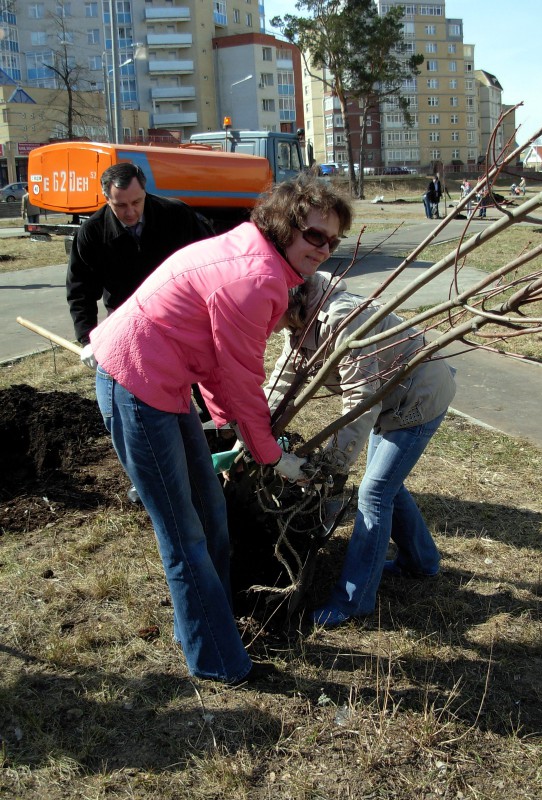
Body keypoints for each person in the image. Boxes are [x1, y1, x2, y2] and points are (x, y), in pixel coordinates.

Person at [86, 175, 353, 682]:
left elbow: (214, 360)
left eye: (333, 241)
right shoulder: (254, 278)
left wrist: (234, 430)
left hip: (165, 378)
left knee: (211, 513)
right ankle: (218, 661)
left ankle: (212, 624)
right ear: (284, 226)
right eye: (314, 236)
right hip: (136, 383)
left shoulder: (258, 258)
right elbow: (240, 375)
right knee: (184, 533)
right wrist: (269, 453)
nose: (324, 249)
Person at [265, 272, 456, 628]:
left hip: (416, 400)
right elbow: (285, 376)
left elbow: (361, 397)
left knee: (374, 493)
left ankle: (353, 601)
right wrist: (256, 428)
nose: (261, 325)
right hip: (390, 401)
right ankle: (422, 562)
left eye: (263, 314)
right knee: (386, 486)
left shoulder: (342, 318)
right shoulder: (301, 319)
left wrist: (330, 466)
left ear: (283, 301)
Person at [66, 162, 214, 359]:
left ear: (145, 192)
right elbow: (81, 291)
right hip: (129, 322)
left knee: (200, 379)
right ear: (107, 199)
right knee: (142, 386)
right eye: (121, 205)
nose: (130, 212)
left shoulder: (177, 215)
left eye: (136, 202)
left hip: (182, 318)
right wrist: (87, 340)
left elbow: (208, 263)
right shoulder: (93, 233)